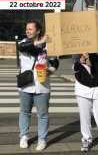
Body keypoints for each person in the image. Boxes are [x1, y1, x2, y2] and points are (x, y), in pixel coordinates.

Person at [17, 20, 59, 151]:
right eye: (26, 29)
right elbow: (24, 48)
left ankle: (42, 140)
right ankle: (24, 136)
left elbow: (55, 62)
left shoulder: (48, 47)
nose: (28, 31)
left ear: (38, 31)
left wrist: (50, 71)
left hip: (42, 86)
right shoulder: (23, 43)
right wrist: (40, 42)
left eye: (30, 29)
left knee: (43, 114)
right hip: (25, 85)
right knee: (25, 112)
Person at [72, 40, 98, 152]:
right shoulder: (76, 51)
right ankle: (86, 139)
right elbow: (74, 68)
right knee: (85, 116)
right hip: (83, 88)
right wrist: (81, 59)